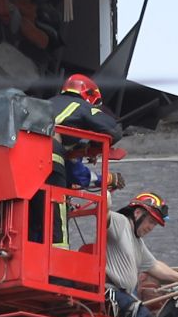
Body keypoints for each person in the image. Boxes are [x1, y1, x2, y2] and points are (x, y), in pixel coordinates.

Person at [29, 74, 124, 246]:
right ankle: (58, 262)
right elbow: (113, 129)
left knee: (30, 216)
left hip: (20, 160)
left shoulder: (45, 105)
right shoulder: (80, 106)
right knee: (55, 212)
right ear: (90, 96)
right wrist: (93, 145)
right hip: (48, 159)